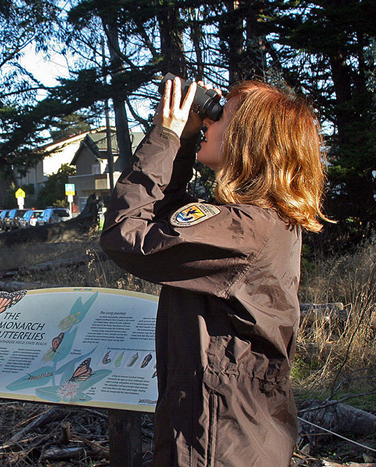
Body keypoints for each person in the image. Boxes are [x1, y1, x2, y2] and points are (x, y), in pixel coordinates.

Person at [100, 76, 328, 466]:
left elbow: (127, 234)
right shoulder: (256, 223)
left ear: (249, 140)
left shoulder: (245, 229)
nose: (207, 121)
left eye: (220, 117)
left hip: (217, 441)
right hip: (224, 431)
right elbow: (163, 216)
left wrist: (166, 136)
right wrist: (184, 141)